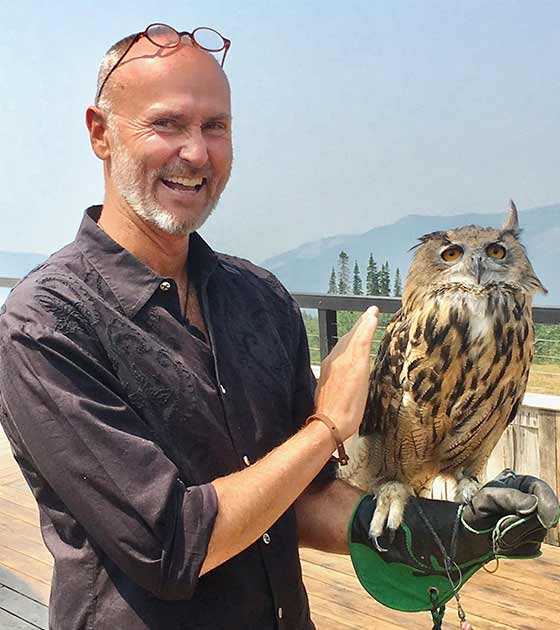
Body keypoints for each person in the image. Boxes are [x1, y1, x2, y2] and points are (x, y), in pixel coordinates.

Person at [0, 24, 557, 630]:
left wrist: (442, 529)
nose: (196, 152)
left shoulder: (259, 299)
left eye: (216, 127)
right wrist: (326, 427)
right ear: (101, 133)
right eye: (167, 124)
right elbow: (169, 545)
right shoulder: (45, 325)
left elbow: (303, 500)